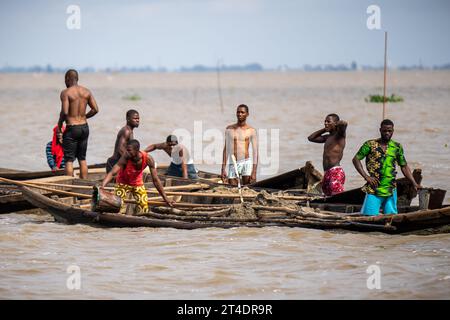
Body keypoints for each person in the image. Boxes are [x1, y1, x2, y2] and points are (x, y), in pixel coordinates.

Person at [352, 119, 421, 216]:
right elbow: (356, 159)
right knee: (368, 217)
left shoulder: (396, 147)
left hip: (391, 189)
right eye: (384, 131)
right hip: (374, 188)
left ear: (393, 131)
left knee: (391, 217)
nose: (387, 133)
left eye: (389, 131)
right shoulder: (370, 145)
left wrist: (414, 183)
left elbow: (404, 166)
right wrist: (366, 177)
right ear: (380, 130)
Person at [101, 139, 173, 214]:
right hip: (123, 182)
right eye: (126, 150)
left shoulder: (148, 159)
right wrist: (103, 186)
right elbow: (113, 172)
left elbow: (155, 180)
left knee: (144, 207)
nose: (127, 152)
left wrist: (165, 198)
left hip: (137, 183)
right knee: (118, 205)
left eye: (129, 150)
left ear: (137, 150)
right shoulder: (125, 157)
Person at [57, 69, 99, 179]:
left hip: (72, 128)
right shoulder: (86, 91)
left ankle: (69, 185)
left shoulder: (66, 93)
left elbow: (65, 112)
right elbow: (95, 109)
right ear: (77, 79)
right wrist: (84, 116)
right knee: (82, 158)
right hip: (84, 127)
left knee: (69, 160)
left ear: (67, 79)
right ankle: (84, 184)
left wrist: (60, 123)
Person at [308, 113, 347, 196]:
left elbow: (344, 125)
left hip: (335, 172)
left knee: (337, 196)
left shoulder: (340, 136)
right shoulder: (327, 137)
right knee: (328, 195)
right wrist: (325, 129)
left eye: (328, 121)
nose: (325, 123)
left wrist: (340, 124)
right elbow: (311, 138)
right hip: (327, 172)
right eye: (325, 121)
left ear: (336, 123)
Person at [221, 104, 258, 186]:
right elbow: (226, 149)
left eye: (242, 112)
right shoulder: (229, 129)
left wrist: (254, 171)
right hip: (233, 162)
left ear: (247, 114)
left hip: (246, 162)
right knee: (232, 188)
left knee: (247, 188)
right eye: (238, 112)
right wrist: (223, 168)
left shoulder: (251, 131)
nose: (240, 114)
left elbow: (255, 152)